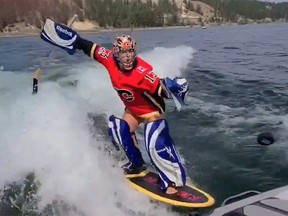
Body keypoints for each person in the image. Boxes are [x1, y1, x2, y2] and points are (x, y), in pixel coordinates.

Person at [40, 18, 189, 194]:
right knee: (117, 129)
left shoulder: (142, 73)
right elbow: (86, 46)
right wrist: (70, 40)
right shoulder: (108, 59)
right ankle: (136, 164)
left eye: (130, 52)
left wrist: (173, 86)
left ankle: (172, 181)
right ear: (116, 53)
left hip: (152, 112)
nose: (127, 56)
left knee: (154, 144)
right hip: (133, 110)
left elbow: (161, 88)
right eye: (123, 52)